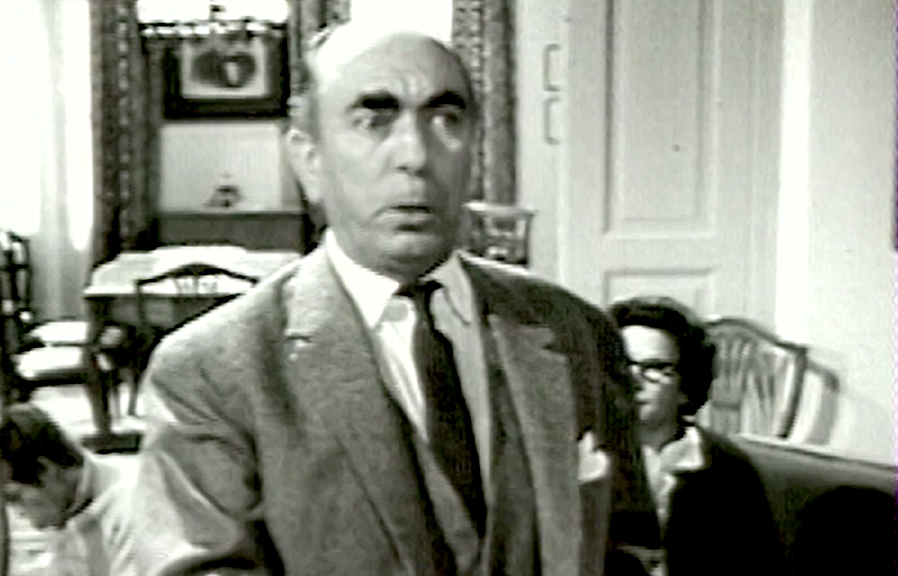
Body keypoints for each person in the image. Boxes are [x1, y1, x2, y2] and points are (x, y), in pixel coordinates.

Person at [130, 22, 647, 576]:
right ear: (309, 160)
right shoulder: (211, 370)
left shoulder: (574, 331)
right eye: (374, 120)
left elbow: (630, 549)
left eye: (446, 119)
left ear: (474, 148)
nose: (416, 155)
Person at [608, 297, 782, 576]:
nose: (633, 380)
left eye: (654, 368)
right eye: (622, 365)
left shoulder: (727, 469)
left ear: (686, 386)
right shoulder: (579, 456)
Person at [0, 404, 138, 576]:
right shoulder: (66, 501)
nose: (18, 514)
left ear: (47, 470)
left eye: (15, 498)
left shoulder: (132, 508)